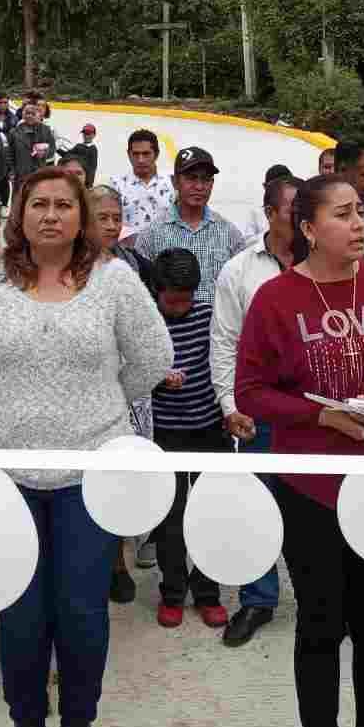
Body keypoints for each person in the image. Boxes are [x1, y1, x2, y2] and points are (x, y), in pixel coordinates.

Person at [0, 167, 174, 727]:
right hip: (4, 475)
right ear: (19, 216)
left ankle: (79, 721)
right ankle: (27, 720)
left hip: (91, 477)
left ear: (81, 217)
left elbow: (153, 357)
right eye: (37, 203)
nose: (50, 215)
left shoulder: (115, 281)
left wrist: (105, 406)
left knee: (82, 612)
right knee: (21, 612)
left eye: (63, 205)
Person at [236, 173, 364, 727]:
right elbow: (251, 391)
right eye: (343, 215)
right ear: (307, 227)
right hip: (312, 489)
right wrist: (319, 414)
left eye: (361, 214)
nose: (359, 225)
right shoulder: (276, 299)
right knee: (320, 626)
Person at [208, 173, 298, 648]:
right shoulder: (240, 271)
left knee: (312, 507)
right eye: (291, 210)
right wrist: (228, 404)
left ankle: (321, 597)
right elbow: (223, 344)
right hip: (258, 411)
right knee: (256, 508)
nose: (302, 219)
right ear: (269, 214)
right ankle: (259, 599)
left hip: (316, 415)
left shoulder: (328, 266)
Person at [145, 248, 229, 631]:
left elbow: (227, 359)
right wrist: (157, 378)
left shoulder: (210, 315)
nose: (180, 307)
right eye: (172, 300)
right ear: (156, 292)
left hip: (210, 428)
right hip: (165, 434)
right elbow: (129, 369)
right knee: (171, 517)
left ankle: (208, 593)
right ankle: (173, 592)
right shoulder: (144, 321)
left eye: (186, 299)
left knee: (212, 512)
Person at [88, 184, 159, 598]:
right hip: (88, 390)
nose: (112, 226)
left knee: (120, 474)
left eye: (117, 217)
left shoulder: (132, 264)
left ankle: (117, 560)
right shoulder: (69, 268)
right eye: (104, 217)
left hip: (129, 390)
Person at [132, 147, 246, 306]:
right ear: (175, 182)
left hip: (218, 329)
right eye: (191, 178)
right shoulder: (151, 234)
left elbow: (242, 287)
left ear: (212, 184)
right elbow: (139, 292)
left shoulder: (230, 234)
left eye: (206, 179)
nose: (199, 186)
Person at [109, 128, 176, 232]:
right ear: (128, 154)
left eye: (146, 154)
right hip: (127, 248)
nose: (140, 160)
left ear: (156, 154)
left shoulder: (173, 182)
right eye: (135, 154)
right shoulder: (115, 185)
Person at [10, 101, 58, 197]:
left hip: (39, 174)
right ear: (23, 114)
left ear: (38, 114)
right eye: (27, 113)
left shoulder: (46, 130)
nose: (30, 116)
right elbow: (10, 154)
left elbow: (52, 149)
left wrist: (45, 153)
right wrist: (11, 171)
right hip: (21, 175)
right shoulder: (14, 132)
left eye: (33, 113)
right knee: (19, 201)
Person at [239, 164, 294, 245]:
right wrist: (272, 235)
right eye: (276, 186)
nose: (281, 190)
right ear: (265, 187)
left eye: (286, 185)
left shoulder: (296, 210)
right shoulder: (256, 213)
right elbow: (248, 242)